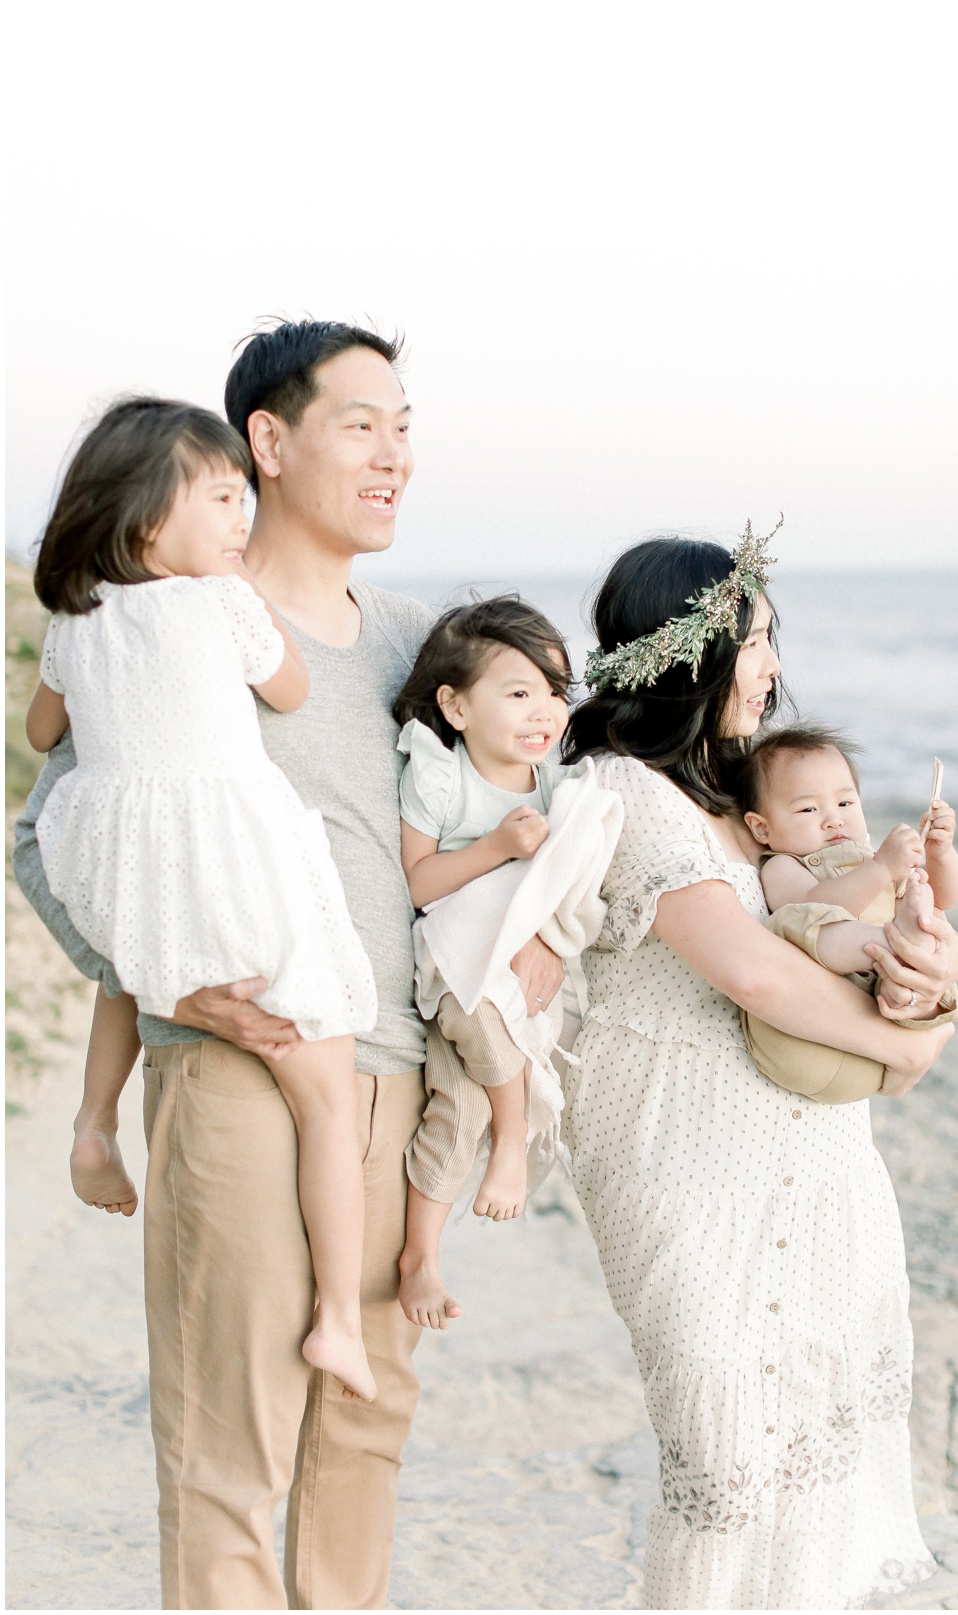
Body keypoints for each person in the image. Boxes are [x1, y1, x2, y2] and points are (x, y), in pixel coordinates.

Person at [13, 319, 564, 1610]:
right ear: (266, 442)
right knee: (230, 1440)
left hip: (400, 1073)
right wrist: (155, 977)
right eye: (361, 424)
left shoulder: (424, 641)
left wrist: (536, 931)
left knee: (363, 1428)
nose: (395, 455)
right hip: (238, 1063)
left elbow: (515, 812)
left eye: (406, 426)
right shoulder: (160, 623)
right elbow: (49, 832)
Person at [562, 526, 958, 1609]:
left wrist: (930, 970)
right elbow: (756, 974)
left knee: (819, 1422)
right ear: (691, 648)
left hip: (818, 1154)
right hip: (680, 1159)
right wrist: (909, 1052)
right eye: (758, 637)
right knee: (726, 1450)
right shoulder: (626, 792)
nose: (775, 661)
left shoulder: (744, 784)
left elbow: (847, 915)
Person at [26, 395, 384, 1400]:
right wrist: (258, 616)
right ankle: (341, 1321)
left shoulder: (77, 616)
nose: (243, 519)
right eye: (225, 499)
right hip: (233, 853)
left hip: (111, 849)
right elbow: (294, 692)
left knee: (130, 967)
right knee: (326, 1090)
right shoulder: (223, 604)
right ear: (148, 518)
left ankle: (94, 1122)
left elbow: (44, 734)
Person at [391, 596, 572, 1329]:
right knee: (476, 1022)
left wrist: (547, 939)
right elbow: (418, 882)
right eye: (520, 691)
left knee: (453, 1109)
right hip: (450, 961)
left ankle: (420, 1257)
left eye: (556, 693)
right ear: (456, 706)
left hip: (509, 968)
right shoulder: (438, 775)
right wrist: (496, 846)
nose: (544, 712)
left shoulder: (557, 787)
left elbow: (567, 887)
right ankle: (515, 1137)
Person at [733, 722, 958, 1102]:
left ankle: (901, 959)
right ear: (761, 828)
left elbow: (947, 896)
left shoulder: (872, 858)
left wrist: (940, 854)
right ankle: (893, 943)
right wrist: (880, 871)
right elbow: (815, 907)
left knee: (930, 911)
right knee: (796, 921)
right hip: (804, 1041)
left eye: (845, 803)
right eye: (809, 808)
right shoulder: (783, 865)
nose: (833, 818)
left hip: (878, 1023)